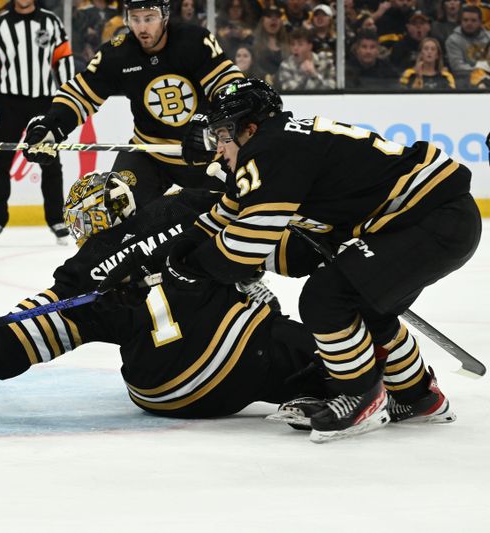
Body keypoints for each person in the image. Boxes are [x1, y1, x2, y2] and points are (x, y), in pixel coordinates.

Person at [137, 78, 480, 442]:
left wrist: (191, 268)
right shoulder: (274, 142)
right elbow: (225, 217)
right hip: (425, 218)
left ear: (248, 128)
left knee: (327, 298)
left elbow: (246, 246)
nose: (219, 150)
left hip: (433, 219)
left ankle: (360, 396)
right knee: (368, 310)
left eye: (223, 136)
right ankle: (418, 397)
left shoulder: (269, 149)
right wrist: (176, 250)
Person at [0, 171, 328, 422]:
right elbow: (270, 233)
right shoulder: (185, 207)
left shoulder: (83, 270)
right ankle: (361, 382)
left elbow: (42, 325)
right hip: (238, 356)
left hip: (158, 394)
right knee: (324, 350)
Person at [22, 0, 245, 209]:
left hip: (208, 154)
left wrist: (212, 128)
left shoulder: (194, 40)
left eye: (149, 18)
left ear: (165, 16)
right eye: (135, 18)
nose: (141, 27)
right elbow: (81, 93)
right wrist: (52, 126)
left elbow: (229, 86)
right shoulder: (118, 53)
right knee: (114, 208)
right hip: (150, 153)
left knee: (242, 212)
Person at [0, 0, 75, 246]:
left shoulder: (51, 22)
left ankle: (56, 219)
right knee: (1, 160)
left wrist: (67, 98)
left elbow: (63, 60)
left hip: (44, 101)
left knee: (50, 161)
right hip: (7, 102)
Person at [445, 5, 490, 88]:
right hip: (464, 82)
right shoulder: (453, 40)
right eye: (465, 20)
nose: (469, 23)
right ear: (460, 21)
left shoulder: (488, 38)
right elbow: (458, 68)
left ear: (480, 22)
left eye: (473, 20)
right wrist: (480, 69)